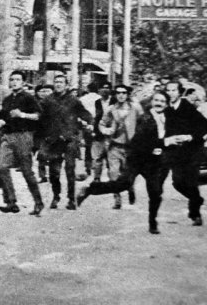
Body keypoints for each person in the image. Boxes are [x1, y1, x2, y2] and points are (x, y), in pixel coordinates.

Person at [77, 92, 170, 234]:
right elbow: (142, 141)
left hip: (153, 162)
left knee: (155, 192)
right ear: (152, 102)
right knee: (122, 184)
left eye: (162, 101)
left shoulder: (168, 118)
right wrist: (160, 144)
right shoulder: (145, 118)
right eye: (156, 100)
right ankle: (90, 189)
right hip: (137, 158)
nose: (159, 103)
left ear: (166, 104)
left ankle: (153, 223)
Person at [0, 71, 44, 216]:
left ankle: (38, 202)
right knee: (1, 167)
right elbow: (5, 118)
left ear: (23, 82)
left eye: (18, 79)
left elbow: (38, 116)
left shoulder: (29, 98)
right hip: (8, 135)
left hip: (23, 135)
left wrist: (22, 115)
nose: (14, 82)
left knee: (26, 171)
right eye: (12, 80)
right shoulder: (7, 99)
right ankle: (10, 201)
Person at [38, 75, 93, 210]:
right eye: (56, 82)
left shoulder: (73, 100)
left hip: (69, 139)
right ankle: (56, 196)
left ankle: (71, 199)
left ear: (66, 85)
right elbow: (40, 117)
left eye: (61, 82)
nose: (58, 84)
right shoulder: (47, 101)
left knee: (70, 169)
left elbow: (85, 114)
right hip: (53, 141)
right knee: (54, 172)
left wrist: (89, 123)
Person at [163, 81, 207, 226]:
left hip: (193, 151)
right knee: (177, 182)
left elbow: (204, 126)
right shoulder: (166, 110)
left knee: (191, 181)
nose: (171, 93)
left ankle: (195, 214)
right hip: (177, 153)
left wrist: (190, 136)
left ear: (180, 92)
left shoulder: (188, 107)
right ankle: (197, 199)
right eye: (168, 90)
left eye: (174, 90)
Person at [97, 84, 143, 209]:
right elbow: (101, 124)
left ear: (128, 95)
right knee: (113, 173)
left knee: (128, 173)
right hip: (115, 146)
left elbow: (144, 122)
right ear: (115, 95)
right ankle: (117, 198)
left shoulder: (135, 108)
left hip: (131, 147)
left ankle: (130, 188)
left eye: (123, 93)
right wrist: (106, 131)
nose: (121, 95)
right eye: (118, 93)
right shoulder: (111, 109)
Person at [90, 82, 112, 182]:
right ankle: (97, 177)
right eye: (102, 88)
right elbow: (97, 117)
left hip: (112, 133)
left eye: (107, 88)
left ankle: (113, 178)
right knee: (97, 157)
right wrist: (95, 130)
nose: (104, 90)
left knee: (111, 157)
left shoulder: (115, 101)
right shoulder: (97, 102)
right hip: (99, 133)